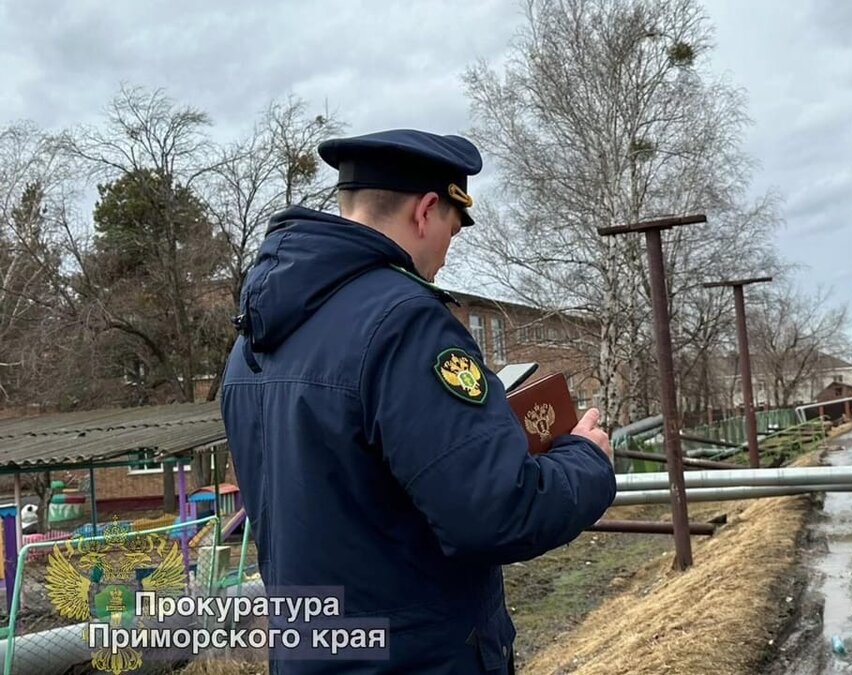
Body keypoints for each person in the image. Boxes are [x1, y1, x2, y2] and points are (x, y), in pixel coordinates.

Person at [220, 129, 617, 674]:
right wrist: (587, 460)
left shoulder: (250, 342)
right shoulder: (405, 322)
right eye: (453, 231)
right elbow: (497, 511)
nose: (447, 258)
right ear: (427, 211)